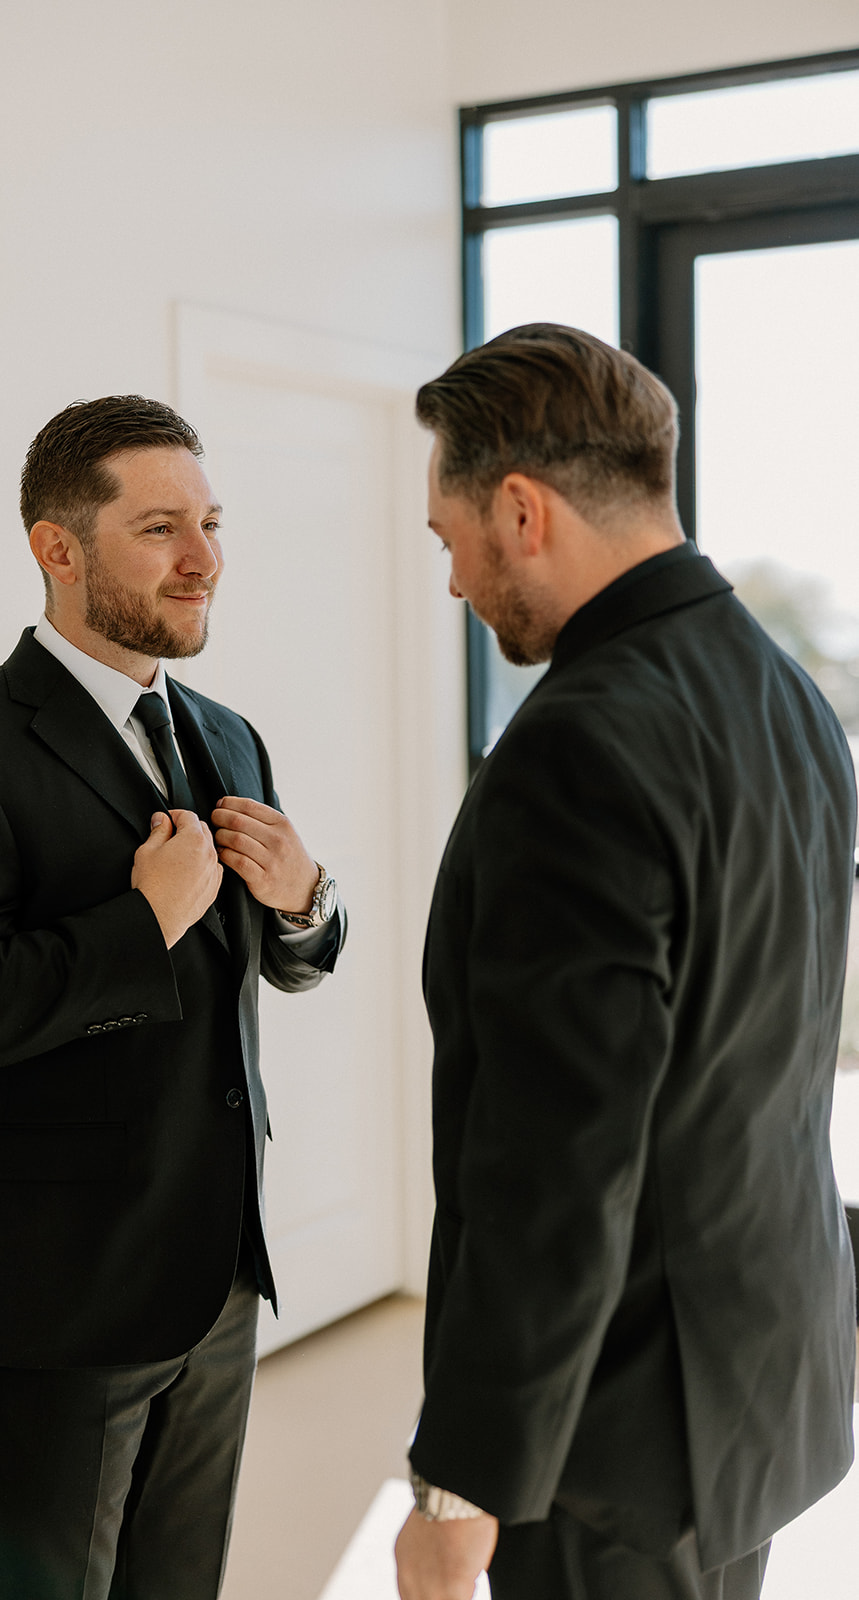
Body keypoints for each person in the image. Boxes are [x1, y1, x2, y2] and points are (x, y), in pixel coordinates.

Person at [395, 325, 856, 1600]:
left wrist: (459, 1483)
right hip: (756, 1384)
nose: (453, 585)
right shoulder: (785, 693)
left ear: (521, 509)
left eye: (450, 540)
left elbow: (556, 1158)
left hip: (615, 1435)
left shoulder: (576, 745)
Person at [0, 395, 346, 1600]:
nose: (204, 561)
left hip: (217, 1283)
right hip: (53, 1297)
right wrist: (138, 924)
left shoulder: (230, 738)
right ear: (57, 547)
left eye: (211, 523)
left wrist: (303, 901)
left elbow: (282, 957)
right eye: (159, 529)